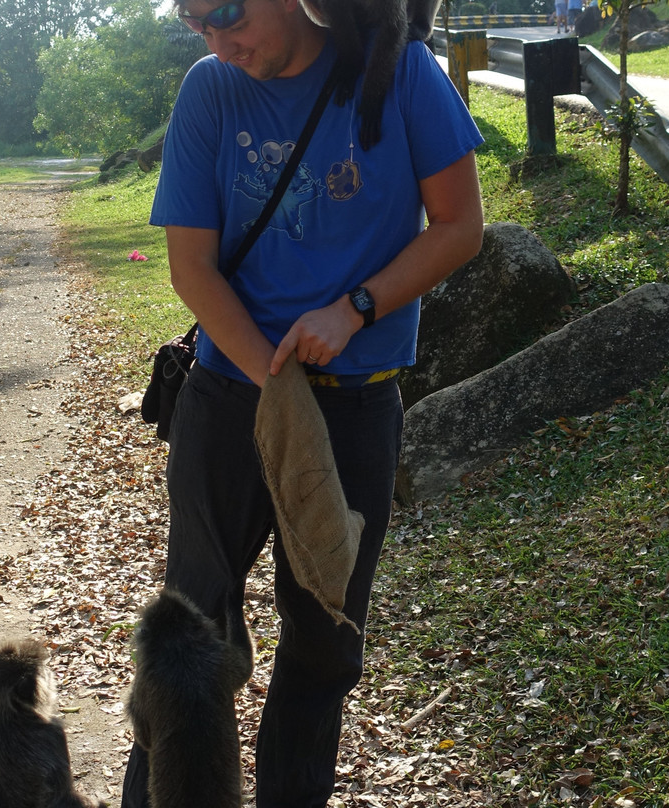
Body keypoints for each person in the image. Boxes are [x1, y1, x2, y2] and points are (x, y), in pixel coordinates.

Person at [123, 0, 484, 805]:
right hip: (229, 398)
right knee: (189, 631)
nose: (218, 41)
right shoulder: (211, 91)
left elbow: (460, 227)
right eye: (194, 24)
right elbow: (192, 269)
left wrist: (355, 307)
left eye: (228, 15)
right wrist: (276, 380)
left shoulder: (400, 72)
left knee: (324, 647)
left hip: (358, 409)